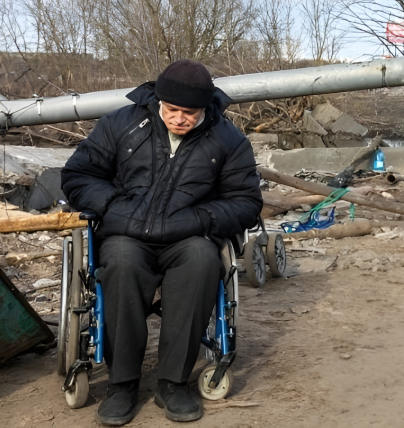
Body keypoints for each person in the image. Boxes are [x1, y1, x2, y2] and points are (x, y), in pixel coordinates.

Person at [61, 60, 263, 426]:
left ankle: (172, 382)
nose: (180, 119)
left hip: (188, 235)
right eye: (172, 110)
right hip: (126, 232)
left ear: (205, 108)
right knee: (120, 262)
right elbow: (79, 175)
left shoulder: (229, 140)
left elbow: (245, 202)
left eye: (190, 113)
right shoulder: (120, 124)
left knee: (203, 261)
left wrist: (199, 219)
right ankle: (122, 382)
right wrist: (115, 207)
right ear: (157, 100)